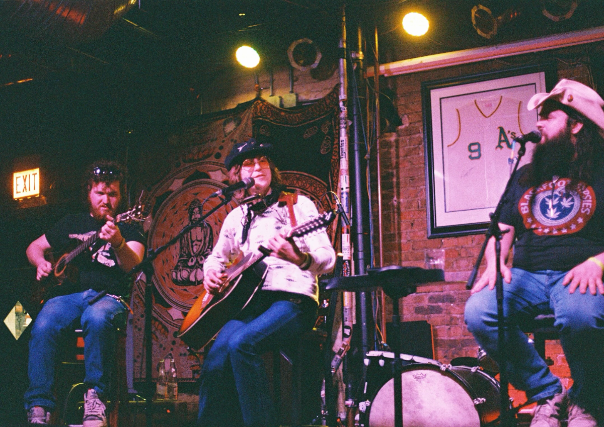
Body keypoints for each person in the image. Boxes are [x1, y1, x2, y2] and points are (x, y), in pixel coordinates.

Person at [465, 79, 604, 427]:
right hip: (527, 275)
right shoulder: (527, 173)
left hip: (578, 272)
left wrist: (598, 262)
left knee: (580, 317)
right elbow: (503, 228)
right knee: (480, 311)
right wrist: (495, 261)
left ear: (576, 124)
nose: (538, 123)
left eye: (549, 116)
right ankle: (547, 393)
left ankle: (586, 400)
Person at [196, 138, 336, 427]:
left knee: (241, 343)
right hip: (249, 304)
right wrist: (210, 273)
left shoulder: (299, 205)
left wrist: (299, 258)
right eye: (249, 162)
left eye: (263, 161)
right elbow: (216, 258)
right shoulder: (236, 217)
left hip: (293, 302)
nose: (258, 167)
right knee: (215, 358)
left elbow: (328, 258)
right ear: (237, 174)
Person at [24, 160, 146, 426]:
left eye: (112, 194)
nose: (106, 200)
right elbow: (33, 247)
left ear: (120, 197)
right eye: (99, 193)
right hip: (67, 298)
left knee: (97, 318)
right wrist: (41, 263)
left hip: (108, 297)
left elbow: (133, 264)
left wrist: (118, 242)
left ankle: (96, 399)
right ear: (88, 193)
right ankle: (39, 404)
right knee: (43, 322)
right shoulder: (71, 222)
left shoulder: (128, 228)